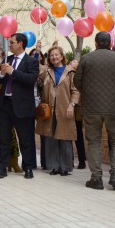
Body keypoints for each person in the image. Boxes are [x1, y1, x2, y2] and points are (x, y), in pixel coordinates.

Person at [74, 31, 115, 190]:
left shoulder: (86, 58)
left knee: (93, 141)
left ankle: (96, 178)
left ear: (95, 43)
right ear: (110, 43)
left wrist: (87, 91)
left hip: (91, 107)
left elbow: (77, 81)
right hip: (114, 107)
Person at [0, 33, 39, 179]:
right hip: (5, 105)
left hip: (22, 106)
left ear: (20, 43)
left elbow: (31, 79)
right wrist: (1, 73)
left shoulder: (31, 61)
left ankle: (28, 167)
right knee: (4, 138)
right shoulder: (8, 59)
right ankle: (2, 168)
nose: (10, 45)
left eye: (12, 42)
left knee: (25, 139)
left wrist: (13, 72)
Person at [37, 46, 79, 176]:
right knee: (50, 137)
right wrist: (38, 51)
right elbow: (36, 66)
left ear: (62, 56)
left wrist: (72, 105)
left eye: (56, 55)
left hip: (65, 108)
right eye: (51, 55)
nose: (54, 57)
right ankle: (53, 166)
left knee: (65, 137)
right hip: (49, 109)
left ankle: (65, 167)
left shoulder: (70, 72)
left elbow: (75, 90)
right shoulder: (46, 71)